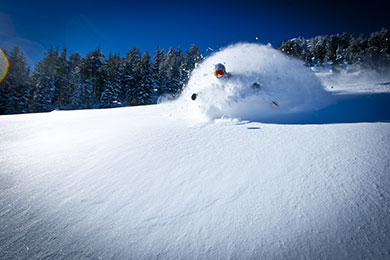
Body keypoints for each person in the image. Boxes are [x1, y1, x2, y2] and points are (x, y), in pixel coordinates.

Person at [191, 63, 278, 107]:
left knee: (251, 94)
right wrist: (198, 94)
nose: (219, 76)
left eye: (221, 72)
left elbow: (244, 81)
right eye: (217, 74)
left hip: (243, 95)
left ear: (224, 71)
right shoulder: (217, 85)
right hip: (229, 103)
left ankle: (270, 103)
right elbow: (208, 90)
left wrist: (252, 85)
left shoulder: (233, 77)